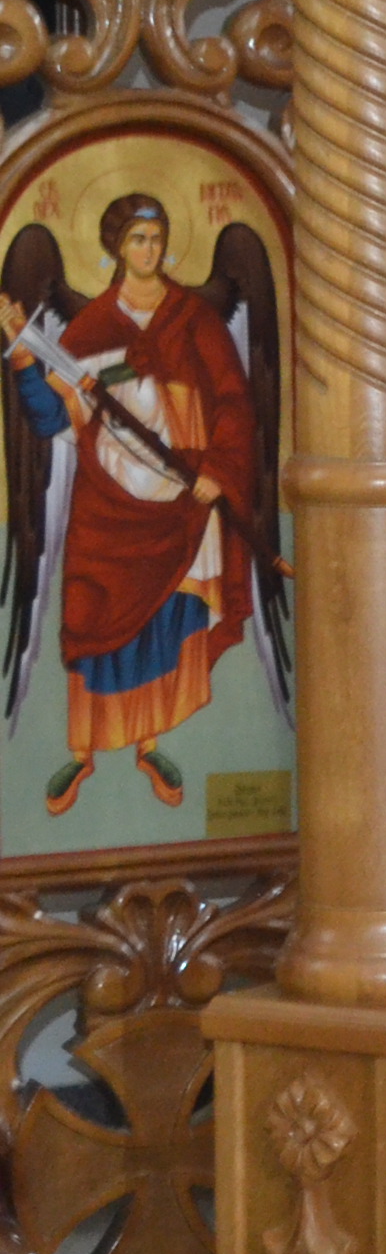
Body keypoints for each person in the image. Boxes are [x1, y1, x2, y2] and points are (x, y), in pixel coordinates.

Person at [6, 197, 258, 816]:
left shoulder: (195, 320)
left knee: (164, 620)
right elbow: (49, 418)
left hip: (181, 498)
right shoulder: (91, 326)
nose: (149, 250)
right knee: (92, 617)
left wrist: (219, 471)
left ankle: (149, 744)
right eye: (138, 239)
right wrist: (22, 355)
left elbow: (234, 401)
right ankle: (83, 751)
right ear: (117, 247)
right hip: (107, 505)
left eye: (157, 238)